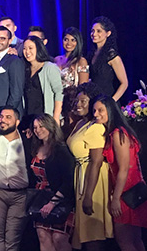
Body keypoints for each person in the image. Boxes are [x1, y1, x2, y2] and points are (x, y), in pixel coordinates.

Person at [89, 95, 147, 251]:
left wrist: (115, 199)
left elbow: (124, 168)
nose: (95, 114)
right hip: (132, 190)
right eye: (94, 110)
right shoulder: (119, 131)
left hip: (127, 192)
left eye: (100, 110)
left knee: (124, 240)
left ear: (110, 110)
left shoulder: (118, 133)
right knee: (135, 239)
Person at [66, 82, 112, 250]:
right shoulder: (81, 123)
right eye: (77, 101)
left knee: (93, 234)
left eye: (84, 101)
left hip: (93, 180)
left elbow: (97, 161)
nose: (79, 105)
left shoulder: (96, 127)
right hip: (81, 176)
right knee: (85, 234)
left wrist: (88, 195)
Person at [0, 106, 34, 251]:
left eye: (8, 117)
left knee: (13, 236)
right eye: (1, 117)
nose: (3, 120)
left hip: (20, 195)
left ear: (17, 122)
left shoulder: (27, 140)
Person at [29, 114, 75, 251]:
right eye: (35, 127)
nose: (38, 130)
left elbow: (69, 180)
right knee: (43, 236)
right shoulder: (35, 148)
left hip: (60, 198)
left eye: (41, 126)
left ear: (50, 126)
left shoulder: (61, 149)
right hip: (41, 198)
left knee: (59, 239)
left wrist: (53, 202)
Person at [22, 36, 63, 125]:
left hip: (46, 119)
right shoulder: (25, 69)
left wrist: (56, 117)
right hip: (29, 119)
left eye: (30, 48)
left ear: (39, 48)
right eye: (24, 48)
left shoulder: (49, 67)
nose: (27, 52)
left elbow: (59, 93)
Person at [87, 16, 128, 101]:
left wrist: (111, 101)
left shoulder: (111, 55)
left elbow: (124, 83)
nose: (94, 34)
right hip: (94, 102)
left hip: (107, 103)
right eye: (92, 31)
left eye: (99, 31)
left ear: (108, 33)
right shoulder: (91, 54)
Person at [0, 26, 25, 117]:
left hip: (8, 114)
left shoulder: (14, 61)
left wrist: (7, 113)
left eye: (2, 38)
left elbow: (16, 92)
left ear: (10, 41)